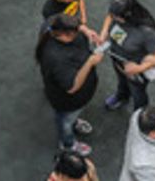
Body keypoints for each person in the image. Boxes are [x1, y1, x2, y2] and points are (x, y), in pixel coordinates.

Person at [37, 13, 104, 157]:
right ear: (64, 35)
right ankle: (68, 144)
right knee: (65, 122)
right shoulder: (56, 58)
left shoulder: (53, 23)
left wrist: (86, 30)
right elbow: (72, 87)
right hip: (68, 101)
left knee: (71, 118)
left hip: (79, 97)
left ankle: (74, 123)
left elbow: (68, 21)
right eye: (75, 32)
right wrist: (90, 62)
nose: (79, 32)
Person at [100, 0, 155, 113]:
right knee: (122, 81)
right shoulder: (116, 15)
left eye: (116, 17)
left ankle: (140, 114)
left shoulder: (147, 32)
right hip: (118, 58)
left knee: (138, 92)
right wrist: (104, 31)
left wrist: (139, 68)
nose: (112, 18)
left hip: (135, 69)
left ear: (127, 15)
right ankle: (122, 96)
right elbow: (109, 16)